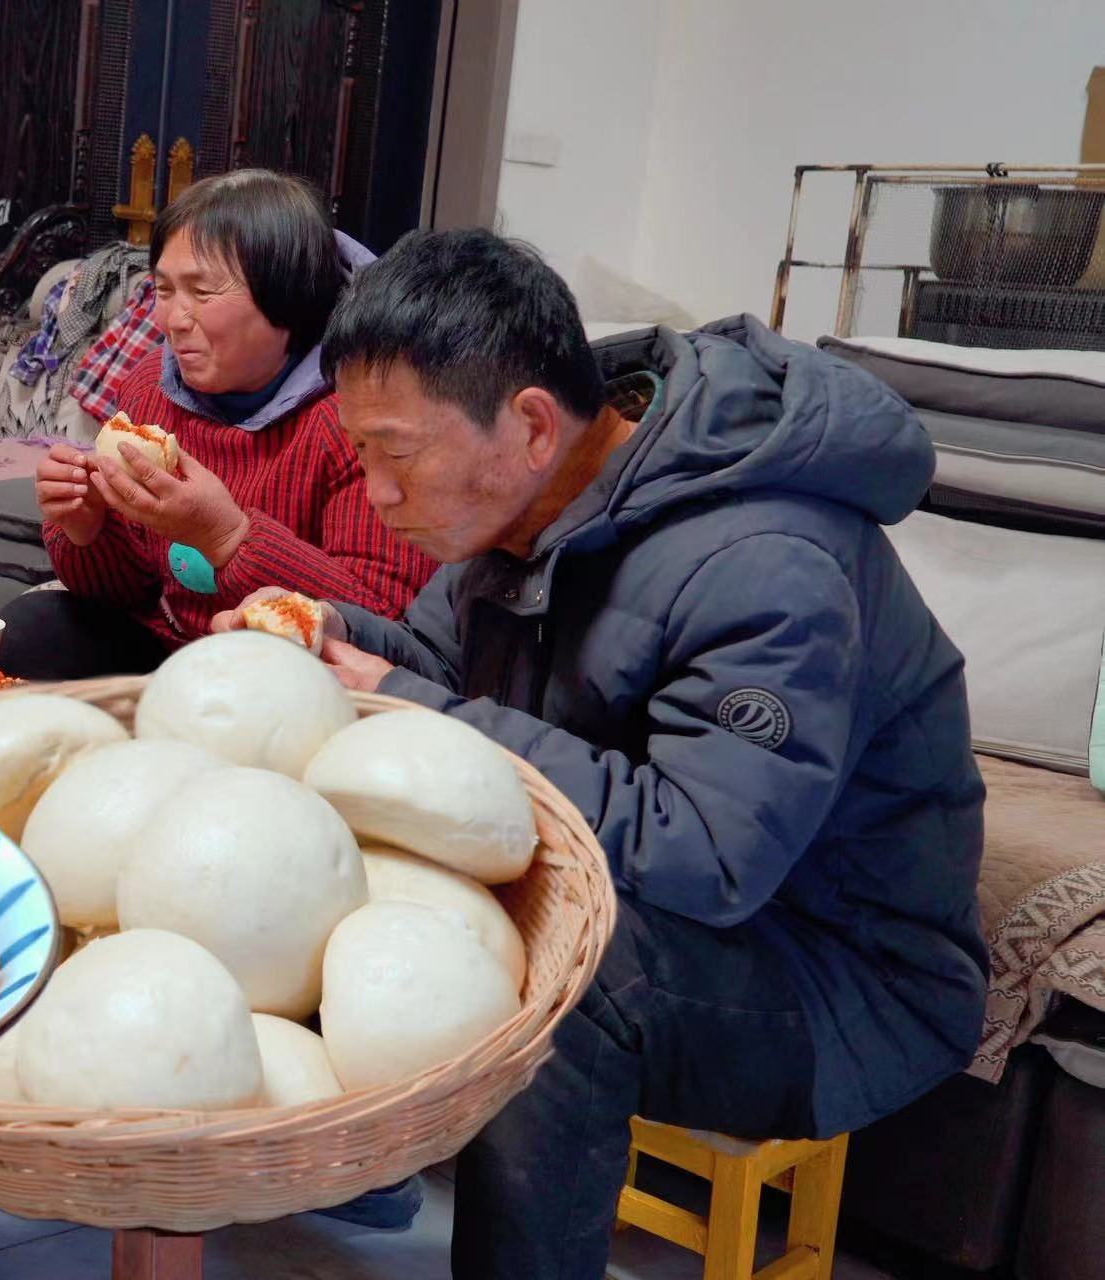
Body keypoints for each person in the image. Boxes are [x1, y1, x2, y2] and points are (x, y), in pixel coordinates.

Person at [221, 229, 986, 1278]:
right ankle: (323, 1175)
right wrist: (326, 635)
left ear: (531, 423)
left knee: (569, 980)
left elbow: (710, 856)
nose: (378, 493)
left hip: (836, 968)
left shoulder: (768, 560)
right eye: (361, 454)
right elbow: (435, 664)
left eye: (393, 454)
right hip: (682, 903)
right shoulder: (516, 508)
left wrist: (400, 699)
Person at [1, 169, 434, 679]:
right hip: (169, 647)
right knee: (32, 628)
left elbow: (385, 621)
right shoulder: (149, 387)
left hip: (289, 672)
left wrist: (226, 535)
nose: (172, 321)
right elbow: (129, 590)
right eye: (163, 289)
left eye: (202, 292)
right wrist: (88, 529)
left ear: (287, 296)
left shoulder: (355, 419)